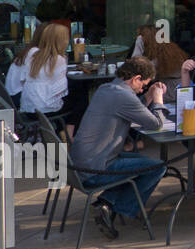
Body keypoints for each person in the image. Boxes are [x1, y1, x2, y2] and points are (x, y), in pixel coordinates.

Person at [69, 57, 168, 239]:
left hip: (78, 166)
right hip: (96, 169)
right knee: (158, 167)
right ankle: (118, 206)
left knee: (142, 164)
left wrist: (147, 97)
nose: (143, 88)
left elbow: (132, 107)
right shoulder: (124, 97)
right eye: (144, 85)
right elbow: (156, 124)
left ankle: (107, 203)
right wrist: (158, 99)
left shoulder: (105, 89)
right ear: (136, 78)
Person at [17, 22, 69, 116]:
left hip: (28, 108)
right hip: (46, 110)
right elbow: (61, 89)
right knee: (81, 98)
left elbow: (22, 78)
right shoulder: (59, 59)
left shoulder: (32, 53)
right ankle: (67, 129)